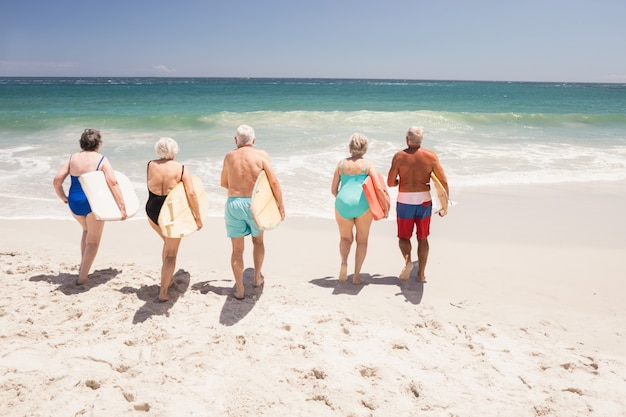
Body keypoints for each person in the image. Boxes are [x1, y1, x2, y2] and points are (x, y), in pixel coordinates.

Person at [53, 128, 128, 285]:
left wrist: (63, 197)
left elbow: (57, 180)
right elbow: (113, 182)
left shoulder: (72, 158)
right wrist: (122, 206)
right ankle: (83, 278)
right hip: (93, 203)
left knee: (86, 231)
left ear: (81, 143)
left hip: (74, 202)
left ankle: (83, 267)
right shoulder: (101, 159)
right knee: (93, 242)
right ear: (98, 144)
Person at [220, 124, 285, 300]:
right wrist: (280, 206)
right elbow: (274, 182)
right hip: (255, 205)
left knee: (236, 250)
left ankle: (239, 289)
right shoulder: (262, 155)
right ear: (254, 140)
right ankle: (257, 278)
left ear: (236, 140)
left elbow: (224, 183)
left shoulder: (229, 156)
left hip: (233, 204)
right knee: (258, 242)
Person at [387, 126, 449, 283]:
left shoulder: (399, 157)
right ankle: (421, 274)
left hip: (405, 201)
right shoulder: (431, 156)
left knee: (403, 236)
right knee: (423, 238)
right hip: (424, 200)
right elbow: (443, 181)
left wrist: (400, 181)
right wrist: (445, 204)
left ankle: (408, 262)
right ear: (421, 140)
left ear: (407, 139)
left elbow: (390, 182)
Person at [146, 137, 203, 302]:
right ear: (174, 150)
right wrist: (198, 218)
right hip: (169, 214)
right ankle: (163, 292)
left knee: (167, 245)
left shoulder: (150, 164)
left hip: (152, 210)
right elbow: (191, 193)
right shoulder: (181, 168)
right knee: (171, 254)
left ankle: (168, 277)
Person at [331, 133, 389, 285]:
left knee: (345, 238)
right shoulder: (368, 164)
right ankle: (356, 276)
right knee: (362, 240)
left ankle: (344, 263)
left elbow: (333, 189)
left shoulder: (341, 164)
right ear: (365, 148)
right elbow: (377, 187)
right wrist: (385, 207)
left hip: (342, 203)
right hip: (363, 205)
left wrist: (343, 199)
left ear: (350, 147)